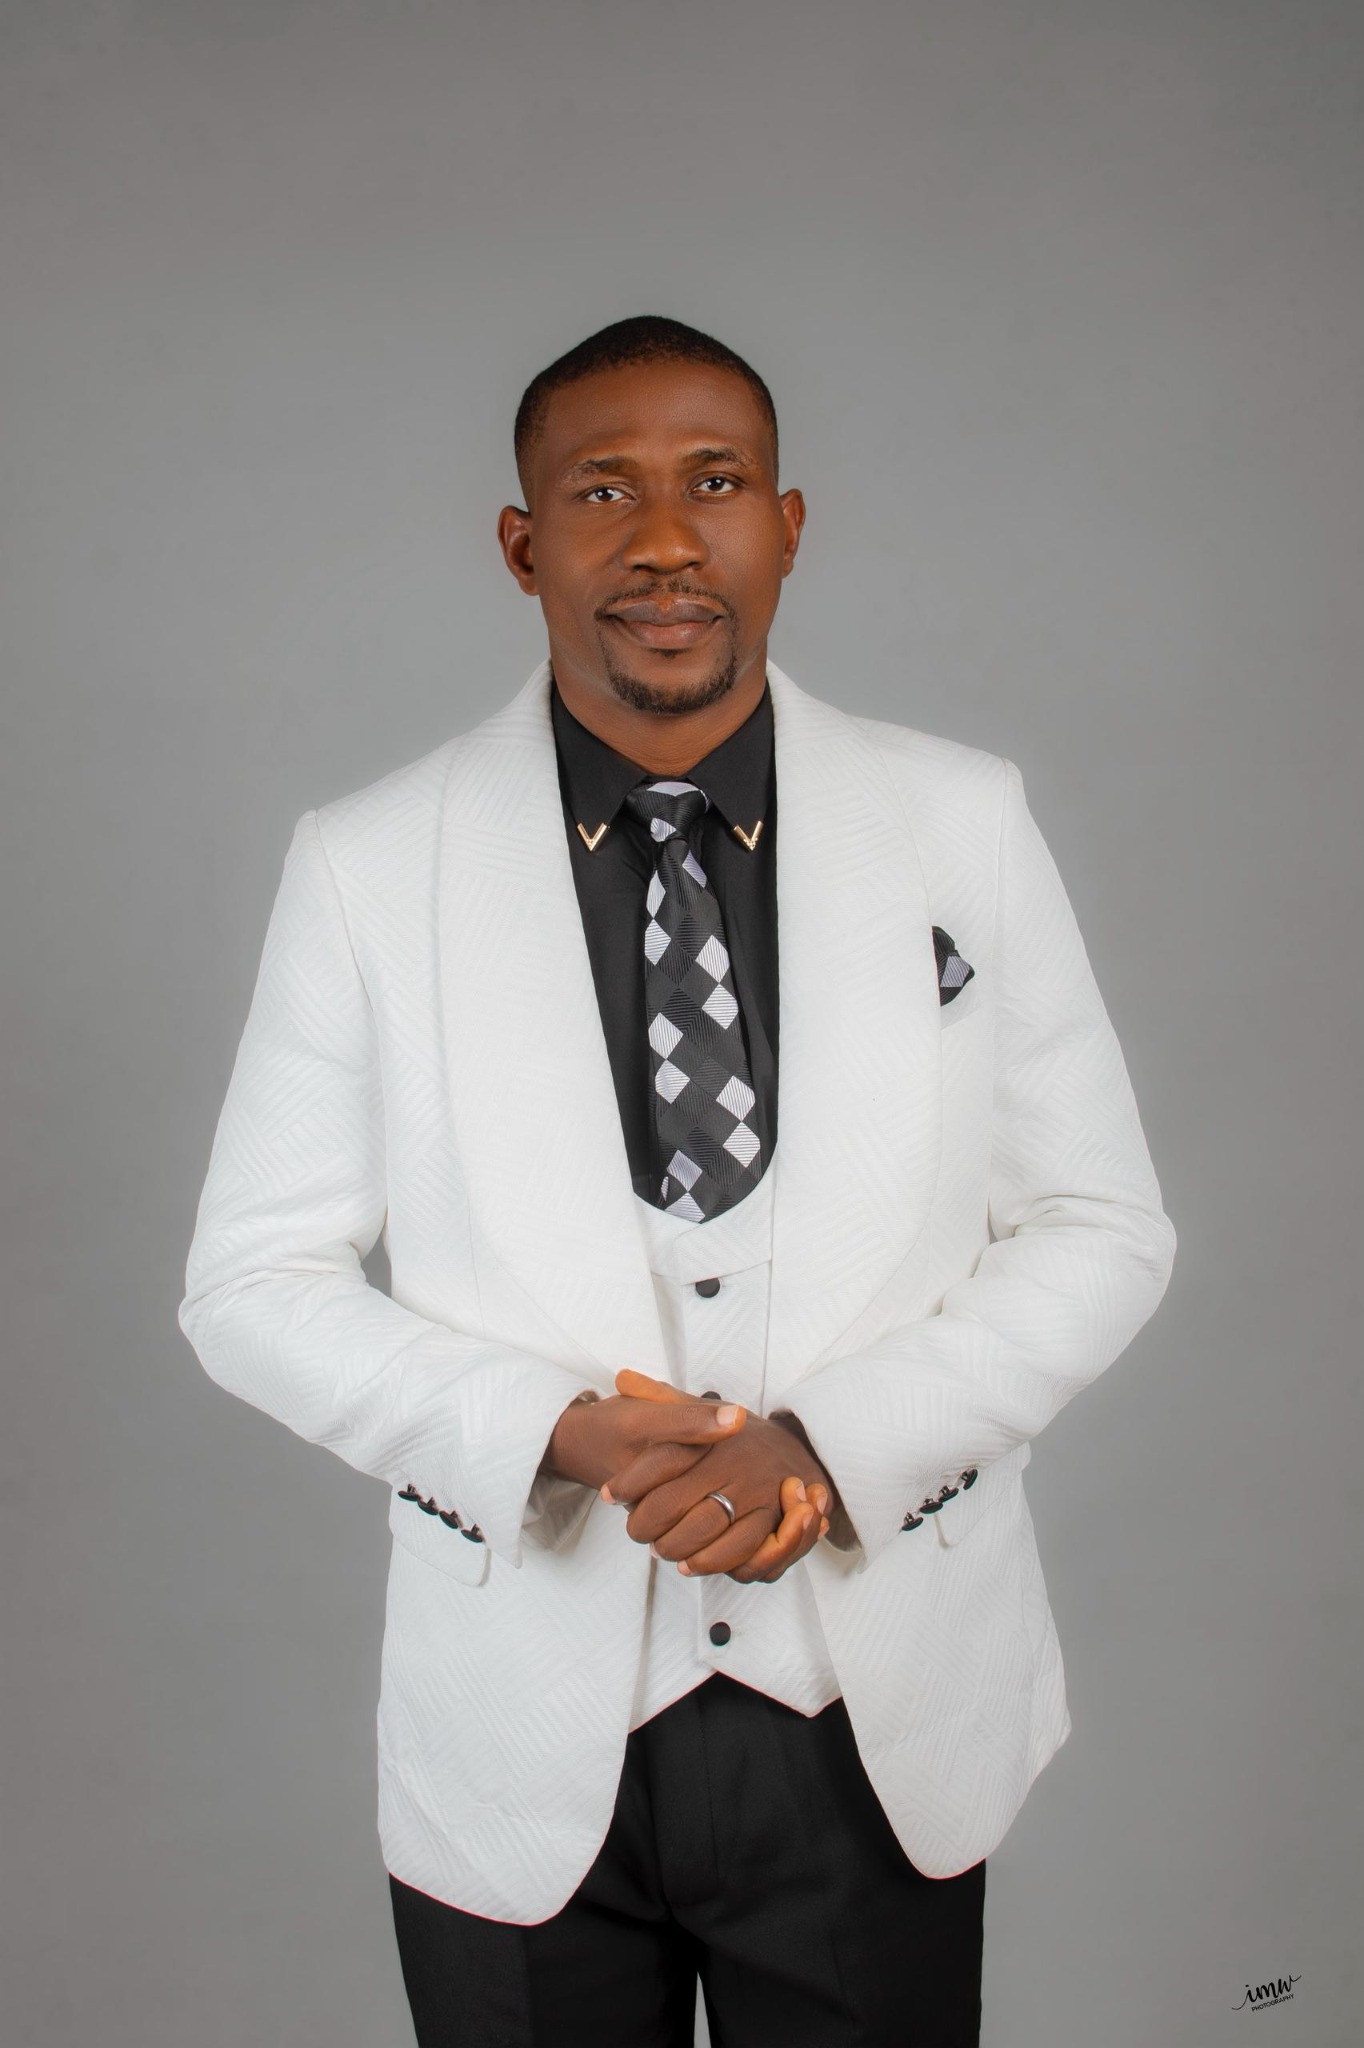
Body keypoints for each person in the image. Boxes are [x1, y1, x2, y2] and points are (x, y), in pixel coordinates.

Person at [178, 314, 1176, 2046]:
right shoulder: (366, 865)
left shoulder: (962, 822)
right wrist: (548, 1433)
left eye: (713, 485)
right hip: (515, 1729)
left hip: (877, 1716)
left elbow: (1103, 1227)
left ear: (787, 527)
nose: (662, 540)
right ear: (522, 547)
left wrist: (835, 1444)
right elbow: (250, 1285)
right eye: (601, 493)